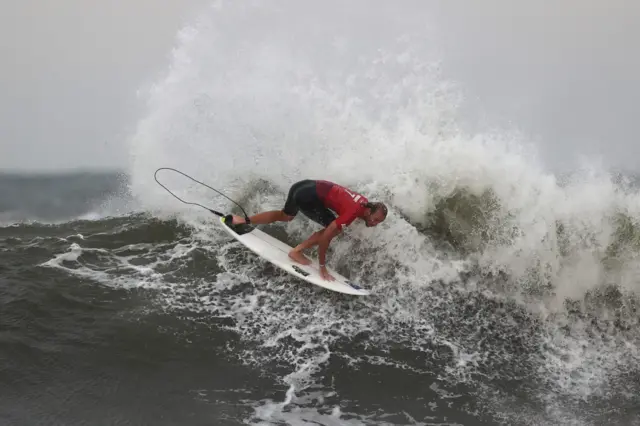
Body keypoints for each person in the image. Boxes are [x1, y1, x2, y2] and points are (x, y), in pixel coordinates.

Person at [227, 179, 388, 281]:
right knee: (333, 230)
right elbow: (326, 237)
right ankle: (296, 251)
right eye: (374, 220)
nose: (374, 224)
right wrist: (322, 267)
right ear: (368, 212)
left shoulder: (365, 204)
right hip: (309, 196)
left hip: (302, 186)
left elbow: (344, 204)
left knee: (285, 215)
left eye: (378, 222)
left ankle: (242, 220)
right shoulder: (353, 212)